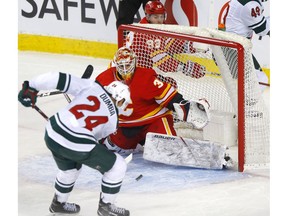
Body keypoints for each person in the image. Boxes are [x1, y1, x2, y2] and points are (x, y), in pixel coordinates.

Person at [18, 72, 132, 216]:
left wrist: (32, 87)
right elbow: (94, 141)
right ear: (119, 99)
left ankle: (58, 203)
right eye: (123, 103)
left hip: (52, 131)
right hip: (75, 141)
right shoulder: (113, 122)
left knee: (70, 170)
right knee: (117, 166)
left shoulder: (92, 86)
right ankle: (106, 207)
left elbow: (58, 78)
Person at [95, 46, 209, 154]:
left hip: (153, 120)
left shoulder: (146, 77)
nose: (125, 69)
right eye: (121, 65)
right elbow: (93, 103)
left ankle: (166, 143)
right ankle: (134, 143)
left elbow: (171, 98)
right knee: (114, 148)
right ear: (115, 64)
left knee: (168, 146)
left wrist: (187, 108)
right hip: (124, 126)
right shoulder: (104, 79)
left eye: (128, 65)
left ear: (134, 62)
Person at [124, 0, 206, 79]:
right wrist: (186, 68)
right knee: (170, 85)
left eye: (161, 16)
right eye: (155, 17)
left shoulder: (154, 26)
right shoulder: (145, 32)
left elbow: (171, 44)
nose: (159, 20)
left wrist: (194, 46)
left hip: (139, 71)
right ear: (148, 16)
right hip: (131, 74)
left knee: (170, 84)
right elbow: (162, 62)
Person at [224, 0, 270, 86]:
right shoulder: (249, 5)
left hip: (230, 47)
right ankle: (248, 100)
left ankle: (246, 99)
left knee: (248, 83)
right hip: (234, 50)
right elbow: (262, 30)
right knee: (260, 80)